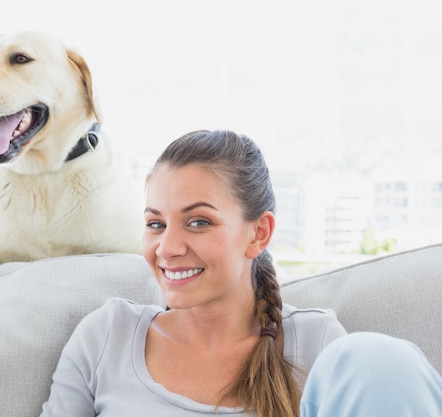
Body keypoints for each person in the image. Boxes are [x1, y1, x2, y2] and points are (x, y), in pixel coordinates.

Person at [39, 130, 442, 417]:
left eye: (198, 222)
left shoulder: (316, 343)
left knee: (380, 359)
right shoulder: (107, 335)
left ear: (258, 233)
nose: (168, 248)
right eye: (156, 224)